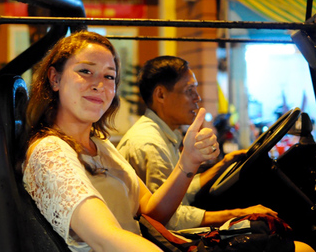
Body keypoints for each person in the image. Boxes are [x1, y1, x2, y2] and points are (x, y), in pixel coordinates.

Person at [21, 31, 222, 252]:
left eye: (109, 76)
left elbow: (151, 212)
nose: (99, 84)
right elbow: (106, 239)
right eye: (85, 71)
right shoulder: (50, 151)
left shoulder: (101, 144)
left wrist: (188, 162)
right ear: (55, 79)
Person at [116, 56, 288, 230]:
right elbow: (167, 218)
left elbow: (179, 192)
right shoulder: (149, 143)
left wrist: (223, 164)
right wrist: (236, 214)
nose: (197, 97)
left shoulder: (164, 134)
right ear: (161, 95)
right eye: (189, 90)